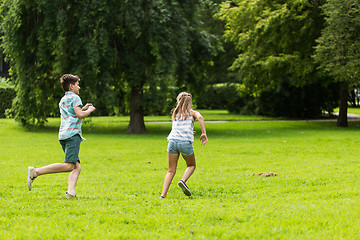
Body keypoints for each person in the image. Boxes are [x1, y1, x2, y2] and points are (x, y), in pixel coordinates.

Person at [27, 74, 96, 198]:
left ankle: (71, 193)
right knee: (70, 166)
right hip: (72, 135)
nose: (79, 87)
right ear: (71, 86)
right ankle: (36, 171)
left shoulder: (63, 99)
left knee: (77, 167)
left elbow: (72, 113)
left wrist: (83, 108)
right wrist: (89, 110)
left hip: (63, 135)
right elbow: (80, 115)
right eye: (77, 85)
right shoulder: (75, 98)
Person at [160, 92, 208, 198]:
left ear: (179, 101)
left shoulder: (175, 113)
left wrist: (190, 131)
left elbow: (180, 127)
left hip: (172, 142)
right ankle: (183, 181)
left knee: (171, 170)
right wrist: (203, 133)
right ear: (189, 103)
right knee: (191, 165)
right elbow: (200, 117)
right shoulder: (191, 112)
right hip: (184, 143)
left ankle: (163, 195)